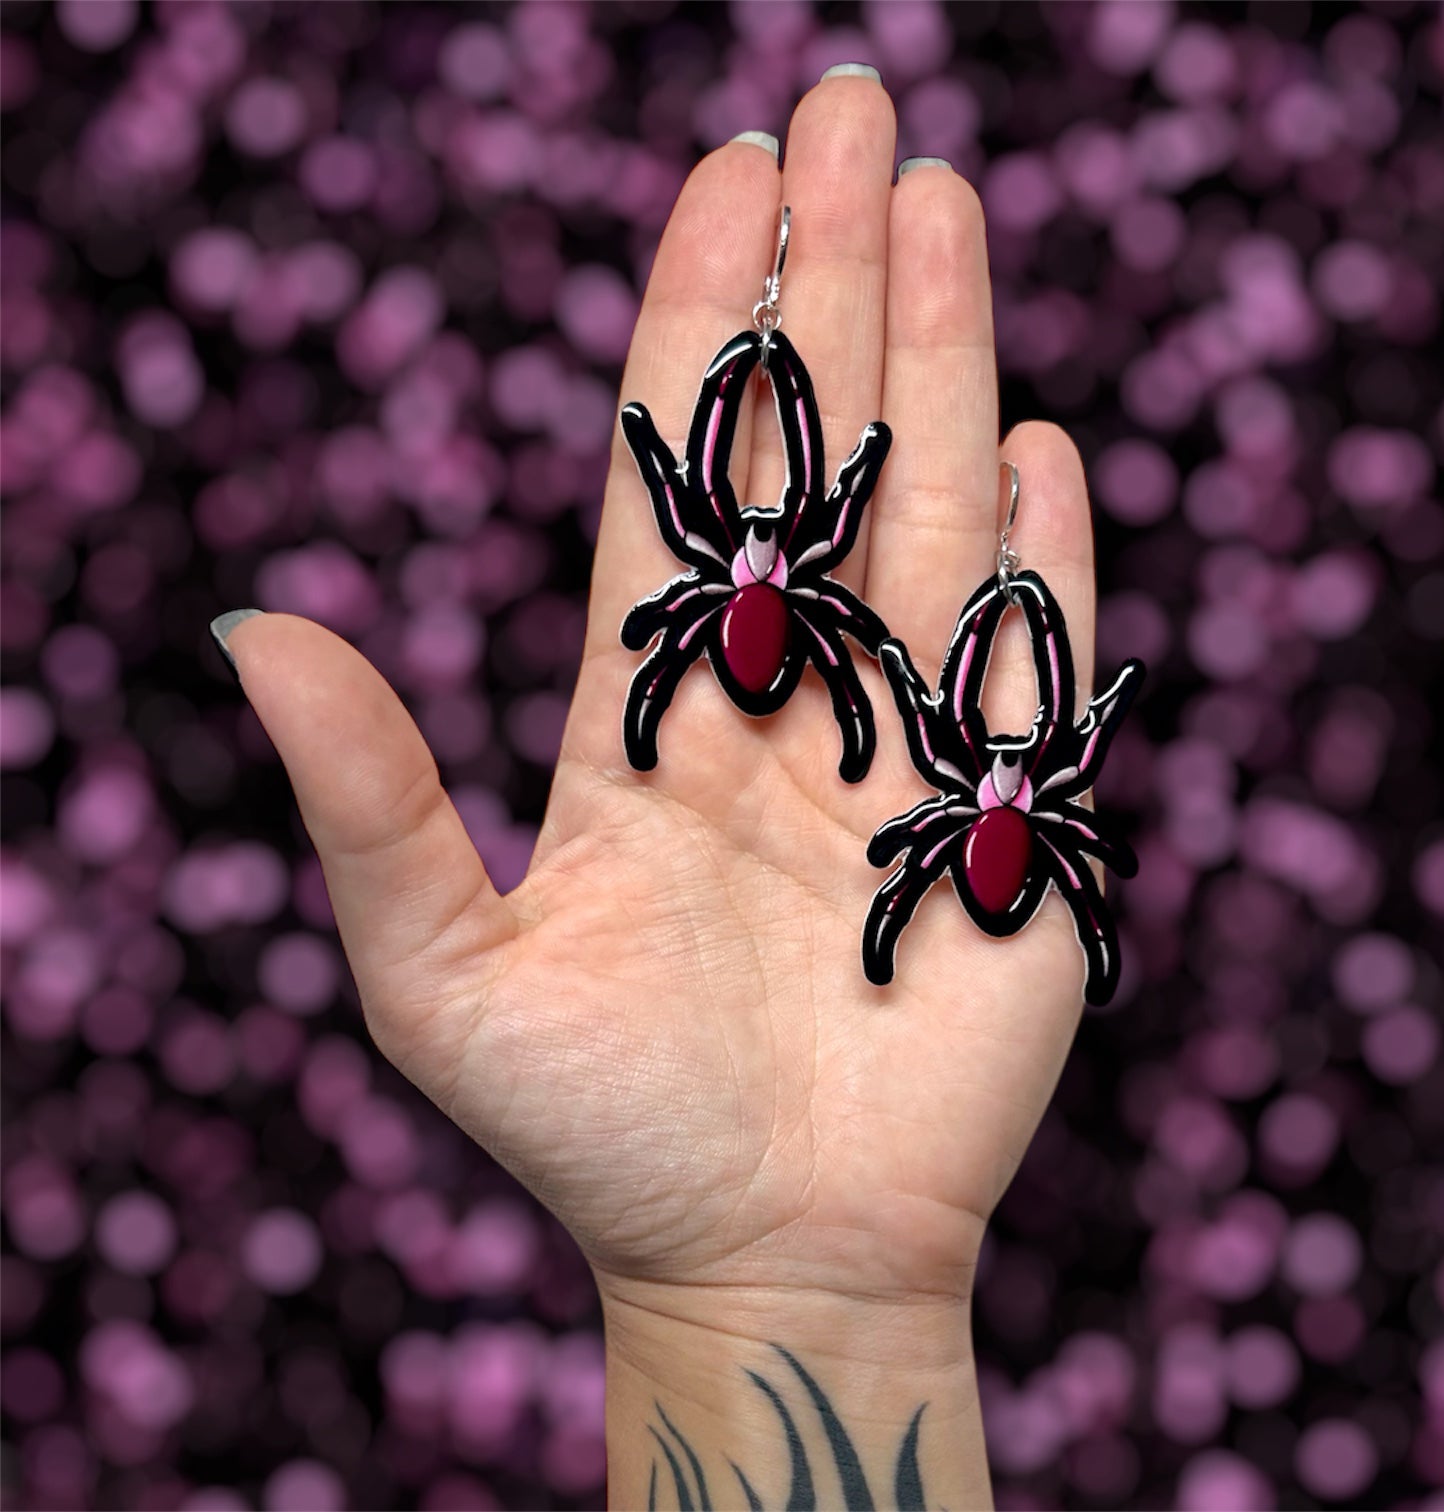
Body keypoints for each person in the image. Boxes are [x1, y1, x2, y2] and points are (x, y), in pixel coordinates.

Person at [213, 68, 1108, 1508]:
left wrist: (790, 1290)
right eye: (752, 548)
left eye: (768, 549)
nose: (758, 556)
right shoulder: (797, 611)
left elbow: (795, 642)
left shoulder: (774, 618)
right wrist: (775, 1290)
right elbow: (784, 635)